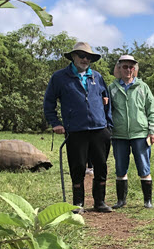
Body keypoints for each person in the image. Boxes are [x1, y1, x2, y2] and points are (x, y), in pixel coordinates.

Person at [43, 42, 113, 213]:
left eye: (88, 56)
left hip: (99, 129)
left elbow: (106, 100)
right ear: (73, 56)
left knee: (101, 166)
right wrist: (56, 123)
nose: (84, 59)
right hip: (75, 129)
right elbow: (49, 102)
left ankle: (100, 202)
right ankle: (78, 204)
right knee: (78, 167)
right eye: (81, 55)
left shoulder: (97, 76)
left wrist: (108, 124)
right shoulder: (59, 77)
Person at [109, 54, 154, 208]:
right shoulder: (112, 88)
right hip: (119, 134)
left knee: (144, 167)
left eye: (131, 67)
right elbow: (107, 111)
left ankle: (147, 200)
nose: (128, 70)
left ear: (135, 69)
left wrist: (153, 130)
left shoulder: (143, 87)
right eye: (125, 66)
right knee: (120, 168)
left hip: (140, 133)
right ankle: (121, 200)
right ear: (119, 68)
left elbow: (152, 109)